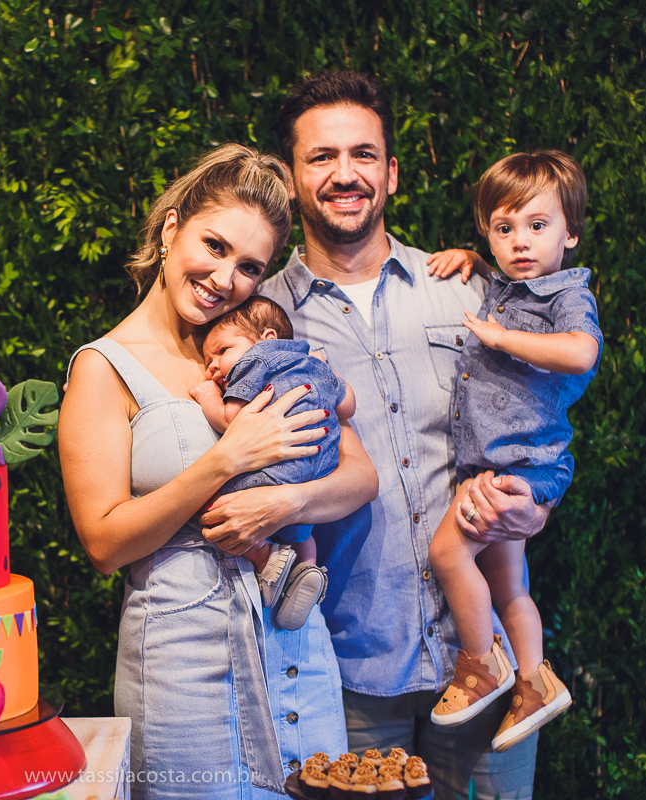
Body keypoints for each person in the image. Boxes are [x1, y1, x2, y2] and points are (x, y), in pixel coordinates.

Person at [260, 70, 553, 799]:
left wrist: (535, 504)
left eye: (362, 154)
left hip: (482, 657)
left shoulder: (468, 289)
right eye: (320, 157)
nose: (343, 174)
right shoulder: (263, 321)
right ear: (293, 179)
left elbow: (533, 418)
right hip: (347, 671)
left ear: (390, 171)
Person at [60, 144, 379, 799]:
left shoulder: (264, 350)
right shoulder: (103, 368)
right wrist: (226, 460)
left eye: (249, 266)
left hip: (295, 647)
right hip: (182, 660)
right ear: (172, 228)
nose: (225, 276)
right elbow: (103, 542)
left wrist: (284, 506)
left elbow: (360, 477)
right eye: (214, 245)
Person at [427, 151, 600, 751]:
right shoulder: (506, 282)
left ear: (570, 232)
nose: (520, 241)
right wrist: (471, 260)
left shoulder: (564, 296)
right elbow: (496, 268)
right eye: (504, 229)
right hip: (501, 463)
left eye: (537, 225)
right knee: (509, 584)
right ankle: (534, 679)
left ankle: (481, 663)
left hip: (518, 464)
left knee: (448, 553)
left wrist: (504, 338)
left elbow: (581, 353)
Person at [189, 296, 356, 630]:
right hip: (321, 466)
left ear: (267, 339)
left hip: (278, 468)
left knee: (211, 508)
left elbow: (233, 419)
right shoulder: (314, 363)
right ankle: (306, 568)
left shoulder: (257, 360)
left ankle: (265, 558)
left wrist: (208, 394)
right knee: (302, 528)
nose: (213, 366)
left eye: (222, 351)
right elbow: (348, 404)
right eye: (208, 360)